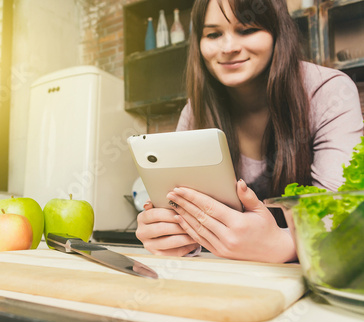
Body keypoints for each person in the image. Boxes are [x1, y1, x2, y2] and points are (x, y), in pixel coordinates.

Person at [136, 0, 364, 263]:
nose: (229, 47)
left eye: (247, 30)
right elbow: (181, 213)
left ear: (278, 31)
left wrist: (284, 245)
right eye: (213, 34)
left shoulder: (328, 91)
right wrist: (170, 236)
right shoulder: (195, 110)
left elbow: (343, 219)